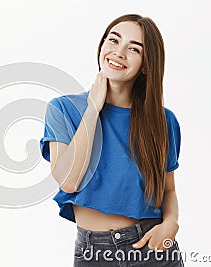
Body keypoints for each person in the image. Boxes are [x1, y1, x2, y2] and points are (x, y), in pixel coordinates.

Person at [40, 14, 184, 266]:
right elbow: (69, 181)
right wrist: (93, 108)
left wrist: (171, 223)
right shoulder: (63, 109)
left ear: (146, 65)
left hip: (152, 248)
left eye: (134, 49)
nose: (119, 52)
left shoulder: (163, 121)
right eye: (114, 40)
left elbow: (167, 189)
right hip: (93, 253)